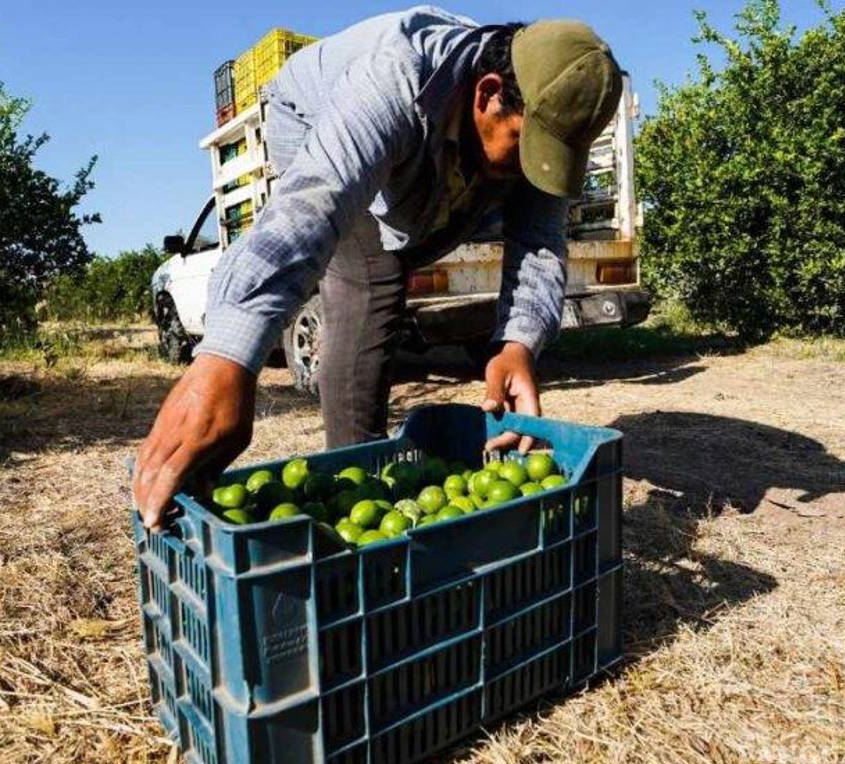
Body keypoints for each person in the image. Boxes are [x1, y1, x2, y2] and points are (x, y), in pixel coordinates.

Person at [134, 7, 622, 529]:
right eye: (526, 147)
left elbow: (539, 239)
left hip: (427, 149)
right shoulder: (396, 78)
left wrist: (517, 343)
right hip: (306, 120)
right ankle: (353, 472)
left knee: (437, 226)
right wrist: (227, 359)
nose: (531, 168)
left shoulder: (535, 113)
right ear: (487, 93)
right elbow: (312, 209)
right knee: (373, 279)